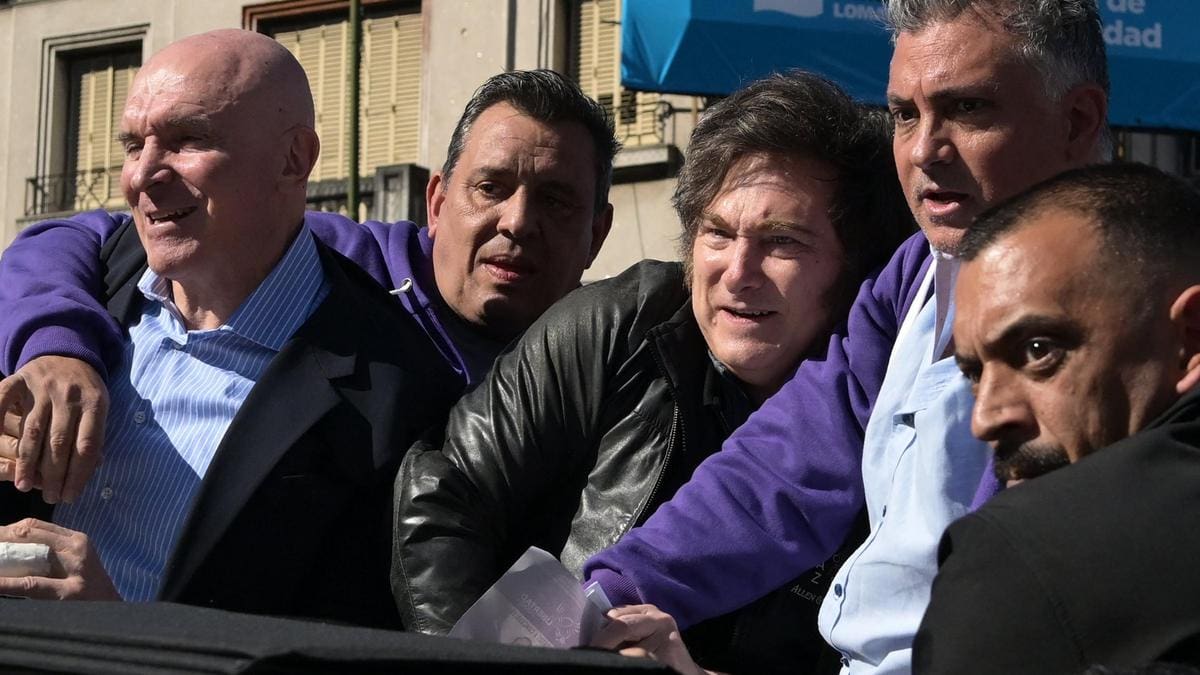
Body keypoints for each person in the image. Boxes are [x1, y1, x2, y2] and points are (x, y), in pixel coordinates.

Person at [584, 1, 1110, 671]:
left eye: (968, 108)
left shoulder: (1132, 320)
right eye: (905, 114)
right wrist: (607, 596)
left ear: (1077, 121)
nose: (924, 150)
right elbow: (781, 473)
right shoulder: (915, 274)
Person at [393, 70, 912, 673]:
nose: (738, 272)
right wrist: (477, 661)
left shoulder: (903, 412)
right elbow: (444, 490)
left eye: (782, 242)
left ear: (856, 266)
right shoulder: (622, 326)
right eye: (717, 233)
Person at [0, 29, 465, 627]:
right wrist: (52, 355)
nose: (143, 176)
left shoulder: (396, 401)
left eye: (188, 139)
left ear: (294, 158)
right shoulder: (88, 283)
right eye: (133, 145)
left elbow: (351, 647)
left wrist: (123, 633)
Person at [0, 68, 616, 504]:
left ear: (597, 234)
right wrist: (59, 349)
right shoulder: (332, 256)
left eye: (556, 201)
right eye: (491, 188)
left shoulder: (613, 378)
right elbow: (88, 240)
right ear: (436, 201)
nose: (517, 222)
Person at [913, 163, 1200, 674]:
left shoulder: (1020, 560)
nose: (986, 419)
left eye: (1037, 350)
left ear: (1190, 338)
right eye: (974, 373)